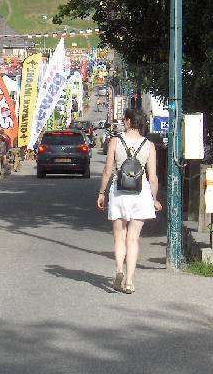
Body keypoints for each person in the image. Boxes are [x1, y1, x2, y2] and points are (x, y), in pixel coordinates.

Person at [96, 108, 161, 294]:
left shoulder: (115, 141)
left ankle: (118, 270)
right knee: (133, 238)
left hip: (119, 191)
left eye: (124, 119)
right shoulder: (149, 145)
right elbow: (153, 177)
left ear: (128, 121)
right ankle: (130, 281)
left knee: (119, 235)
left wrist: (101, 192)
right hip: (141, 193)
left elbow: (108, 171)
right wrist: (154, 199)